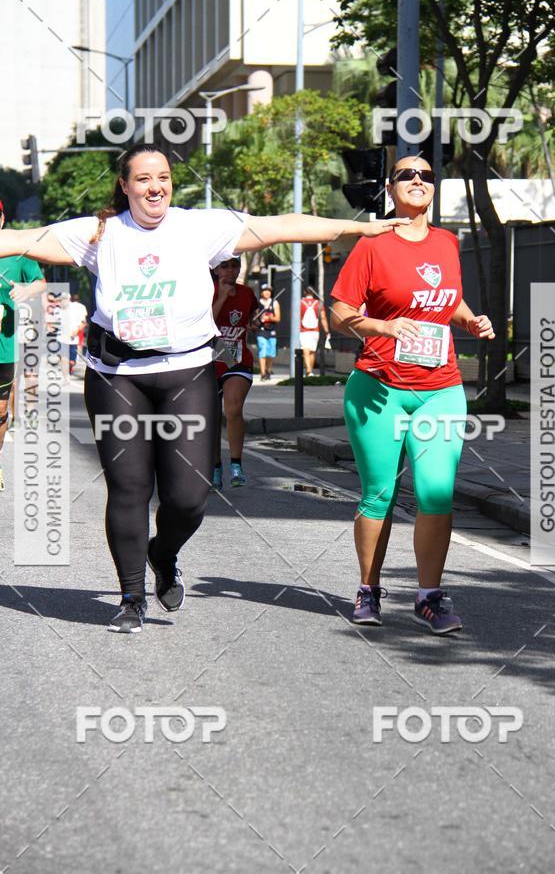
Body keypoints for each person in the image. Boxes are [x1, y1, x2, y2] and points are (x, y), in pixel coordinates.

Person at [0, 142, 408, 633]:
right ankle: (131, 597)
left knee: (189, 497)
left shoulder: (198, 227)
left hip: (187, 374)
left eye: (164, 177)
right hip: (117, 376)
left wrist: (361, 226)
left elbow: (279, 225)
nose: (156, 186)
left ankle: (163, 553)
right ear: (125, 185)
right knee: (129, 488)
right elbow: (17, 239)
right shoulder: (98, 232)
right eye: (144, 178)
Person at [330, 156, 494, 634]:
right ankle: (368, 588)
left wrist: (470, 319)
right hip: (378, 389)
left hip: (440, 388)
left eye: (426, 175)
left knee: (436, 494)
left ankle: (429, 597)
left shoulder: (446, 242)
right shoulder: (373, 244)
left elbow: (449, 299)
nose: (418, 181)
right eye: (407, 175)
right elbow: (339, 312)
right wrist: (383, 326)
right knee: (379, 494)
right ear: (390, 187)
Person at [0, 199, 46, 491]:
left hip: (4, 344)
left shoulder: (18, 249)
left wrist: (27, 289)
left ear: (2, 218)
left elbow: (40, 282)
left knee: (0, 411)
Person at [211, 255, 258, 489]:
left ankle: (236, 464)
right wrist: (220, 298)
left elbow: (250, 317)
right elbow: (204, 323)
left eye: (235, 265)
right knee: (209, 416)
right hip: (208, 360)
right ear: (216, 269)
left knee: (233, 407)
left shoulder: (247, 293)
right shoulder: (204, 290)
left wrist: (252, 324)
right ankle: (215, 468)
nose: (231, 270)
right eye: (225, 266)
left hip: (235, 360)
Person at [300, 284, 330, 376]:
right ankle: (310, 371)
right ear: (314, 293)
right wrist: (326, 331)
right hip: (315, 331)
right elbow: (323, 318)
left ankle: (308, 371)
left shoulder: (299, 302)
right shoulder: (319, 303)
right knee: (312, 351)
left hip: (303, 330)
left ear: (304, 292)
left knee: (305, 350)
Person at [58, 292, 88, 379]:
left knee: (72, 362)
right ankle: (65, 376)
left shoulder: (77, 308)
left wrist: (76, 331)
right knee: (64, 358)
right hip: (62, 338)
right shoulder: (59, 309)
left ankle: (70, 367)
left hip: (73, 339)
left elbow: (83, 322)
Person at [254, 283, 280, 381]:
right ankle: (263, 373)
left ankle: (268, 369)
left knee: (271, 352)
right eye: (265, 290)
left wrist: (269, 317)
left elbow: (278, 318)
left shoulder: (274, 303)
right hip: (261, 331)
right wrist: (259, 319)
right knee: (262, 350)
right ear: (261, 292)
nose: (267, 293)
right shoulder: (257, 303)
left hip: (271, 331)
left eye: (269, 291)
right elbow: (254, 317)